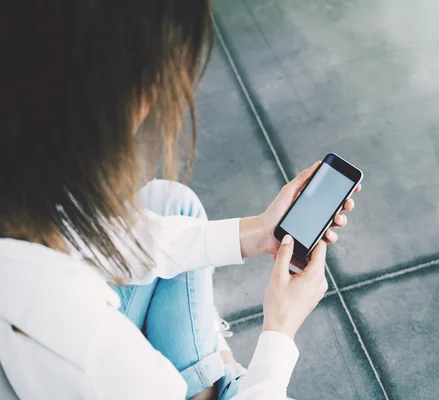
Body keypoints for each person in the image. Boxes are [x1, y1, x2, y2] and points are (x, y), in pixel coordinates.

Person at [0, 1, 361, 399]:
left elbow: (81, 234)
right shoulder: (89, 357)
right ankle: (219, 377)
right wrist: (279, 331)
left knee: (171, 203)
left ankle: (209, 375)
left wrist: (256, 233)